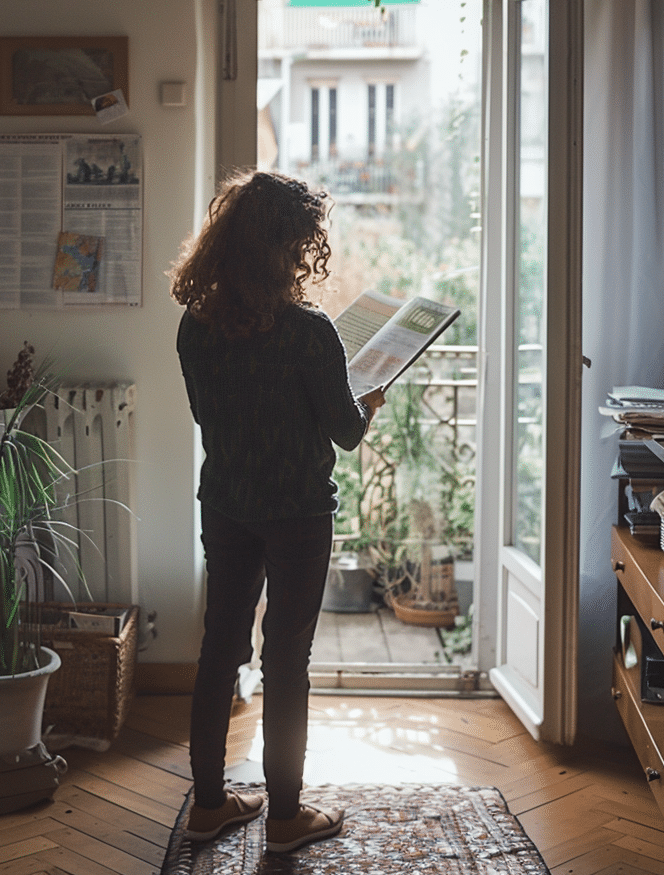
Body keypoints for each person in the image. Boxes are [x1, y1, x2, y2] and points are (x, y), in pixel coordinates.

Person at [168, 170, 385, 854]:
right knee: (287, 661)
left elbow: (208, 416)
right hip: (296, 513)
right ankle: (285, 819)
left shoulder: (194, 328)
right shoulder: (307, 332)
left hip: (227, 505)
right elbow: (345, 434)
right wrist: (369, 403)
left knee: (219, 653)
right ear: (288, 246)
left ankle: (207, 806)